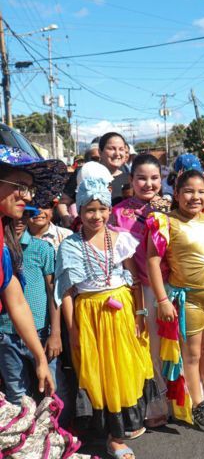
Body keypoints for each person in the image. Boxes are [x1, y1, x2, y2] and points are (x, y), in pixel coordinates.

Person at [55, 174, 155, 458]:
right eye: (89, 209)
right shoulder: (70, 245)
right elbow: (66, 292)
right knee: (100, 374)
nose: (96, 216)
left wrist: (139, 314)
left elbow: (134, 280)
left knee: (124, 369)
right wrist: (72, 329)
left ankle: (118, 434)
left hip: (122, 314)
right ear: (79, 211)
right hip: (90, 317)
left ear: (110, 210)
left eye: (101, 209)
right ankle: (111, 437)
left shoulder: (121, 239)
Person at [146, 170, 204, 432]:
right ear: (177, 194)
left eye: (201, 192)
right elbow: (153, 260)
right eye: (188, 191)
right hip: (188, 301)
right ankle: (198, 405)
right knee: (192, 355)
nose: (195, 197)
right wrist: (162, 299)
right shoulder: (165, 222)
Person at [110, 154, 172, 427]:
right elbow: (121, 257)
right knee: (151, 346)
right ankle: (158, 402)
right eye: (142, 178)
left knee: (177, 344)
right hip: (141, 288)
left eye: (154, 178)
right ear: (131, 180)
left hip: (176, 284)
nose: (149, 184)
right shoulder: (119, 212)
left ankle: (183, 399)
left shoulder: (170, 205)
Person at [0, 211, 59, 406]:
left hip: (39, 332)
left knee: (54, 392)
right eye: (11, 218)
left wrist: (55, 333)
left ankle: (54, 433)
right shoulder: (3, 250)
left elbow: (53, 292)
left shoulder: (42, 248)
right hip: (5, 333)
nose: (18, 220)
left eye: (24, 216)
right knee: (17, 394)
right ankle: (24, 435)